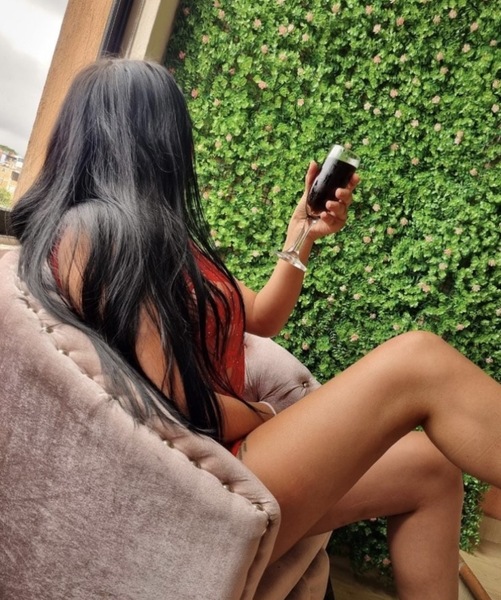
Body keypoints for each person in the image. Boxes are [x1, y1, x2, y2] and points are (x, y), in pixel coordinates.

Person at [11, 58, 501, 600]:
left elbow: (262, 316)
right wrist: (267, 414)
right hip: (205, 483)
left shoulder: (156, 240)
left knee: (432, 467)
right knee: (418, 362)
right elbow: (179, 404)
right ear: (152, 141)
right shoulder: (92, 234)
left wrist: (302, 232)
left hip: (229, 455)